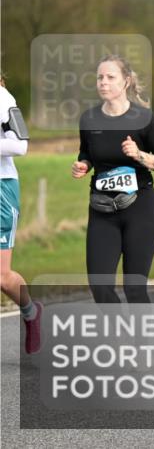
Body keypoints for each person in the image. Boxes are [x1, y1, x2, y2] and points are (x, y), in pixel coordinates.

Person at [71, 55, 154, 304]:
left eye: (110, 77)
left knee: (134, 289)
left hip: (140, 209)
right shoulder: (89, 119)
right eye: (99, 77)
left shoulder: (145, 119)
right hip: (102, 210)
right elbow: (87, 152)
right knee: (100, 288)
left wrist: (139, 154)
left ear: (126, 81)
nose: (103, 82)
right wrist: (83, 165)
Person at [0, 77, 43, 353]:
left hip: (1, 189)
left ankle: (31, 312)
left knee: (2, 277)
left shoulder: (3, 98)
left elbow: (20, 145)